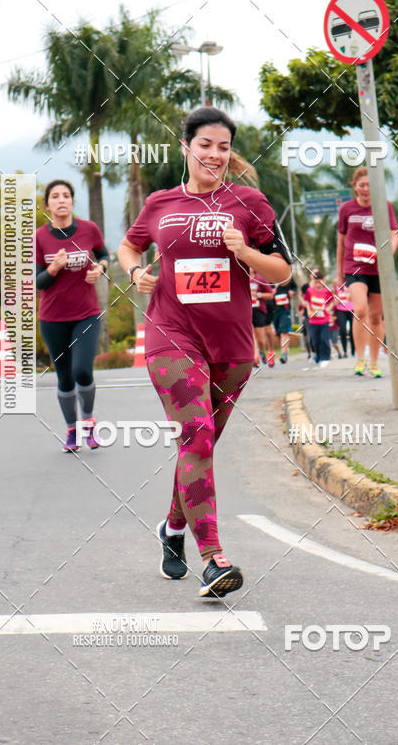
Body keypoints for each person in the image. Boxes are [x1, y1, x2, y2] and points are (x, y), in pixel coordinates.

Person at [118, 107, 291, 599]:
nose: (215, 154)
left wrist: (247, 254)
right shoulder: (160, 203)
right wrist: (135, 274)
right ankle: (214, 559)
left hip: (232, 347)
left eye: (223, 146)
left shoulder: (250, 203)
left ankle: (172, 528)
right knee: (196, 434)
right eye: (206, 145)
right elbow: (128, 247)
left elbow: (282, 271)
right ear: (186, 147)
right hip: (171, 335)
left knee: (202, 443)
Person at [35, 180, 109, 452]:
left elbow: (103, 254)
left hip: (86, 315)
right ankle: (71, 431)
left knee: (82, 370)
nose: (61, 200)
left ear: (72, 202)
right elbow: (39, 282)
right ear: (48, 205)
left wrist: (100, 267)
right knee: (64, 377)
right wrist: (53, 268)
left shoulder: (89, 229)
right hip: (52, 318)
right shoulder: (40, 237)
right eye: (55, 196)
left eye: (66, 195)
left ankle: (88, 422)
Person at [336, 167, 398, 378]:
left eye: (370, 185)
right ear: (355, 186)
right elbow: (341, 242)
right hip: (354, 267)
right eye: (362, 185)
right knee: (360, 310)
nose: (365, 189)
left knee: (375, 317)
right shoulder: (346, 209)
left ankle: (374, 361)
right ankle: (359, 359)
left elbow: (393, 234)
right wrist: (339, 272)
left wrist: (388, 253)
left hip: (378, 269)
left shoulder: (384, 207)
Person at [304, 271, 334, 367]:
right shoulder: (310, 291)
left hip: (324, 320)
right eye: (316, 282)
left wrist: (329, 308)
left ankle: (325, 357)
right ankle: (318, 355)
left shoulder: (327, 291)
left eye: (319, 282)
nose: (318, 284)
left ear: (323, 281)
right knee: (314, 340)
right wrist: (308, 310)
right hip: (313, 321)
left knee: (324, 339)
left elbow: (332, 302)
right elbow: (307, 302)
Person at [250, 268, 274, 366]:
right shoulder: (241, 277)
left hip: (259, 309)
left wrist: (257, 294)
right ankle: (255, 356)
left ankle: (263, 351)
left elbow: (270, 295)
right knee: (251, 334)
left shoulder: (260, 278)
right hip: (246, 310)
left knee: (260, 336)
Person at [272, 276, 296, 363]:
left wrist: (292, 291)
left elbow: (294, 287)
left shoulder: (286, 276)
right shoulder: (268, 277)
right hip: (274, 310)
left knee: (284, 332)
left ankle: (284, 354)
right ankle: (285, 349)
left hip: (285, 309)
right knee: (279, 334)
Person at [334, 279, 354, 358]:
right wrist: (336, 300)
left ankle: (353, 351)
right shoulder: (336, 282)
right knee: (342, 330)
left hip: (351, 309)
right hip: (340, 309)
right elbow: (335, 295)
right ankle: (345, 351)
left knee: (353, 331)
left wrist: (350, 293)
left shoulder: (351, 281)